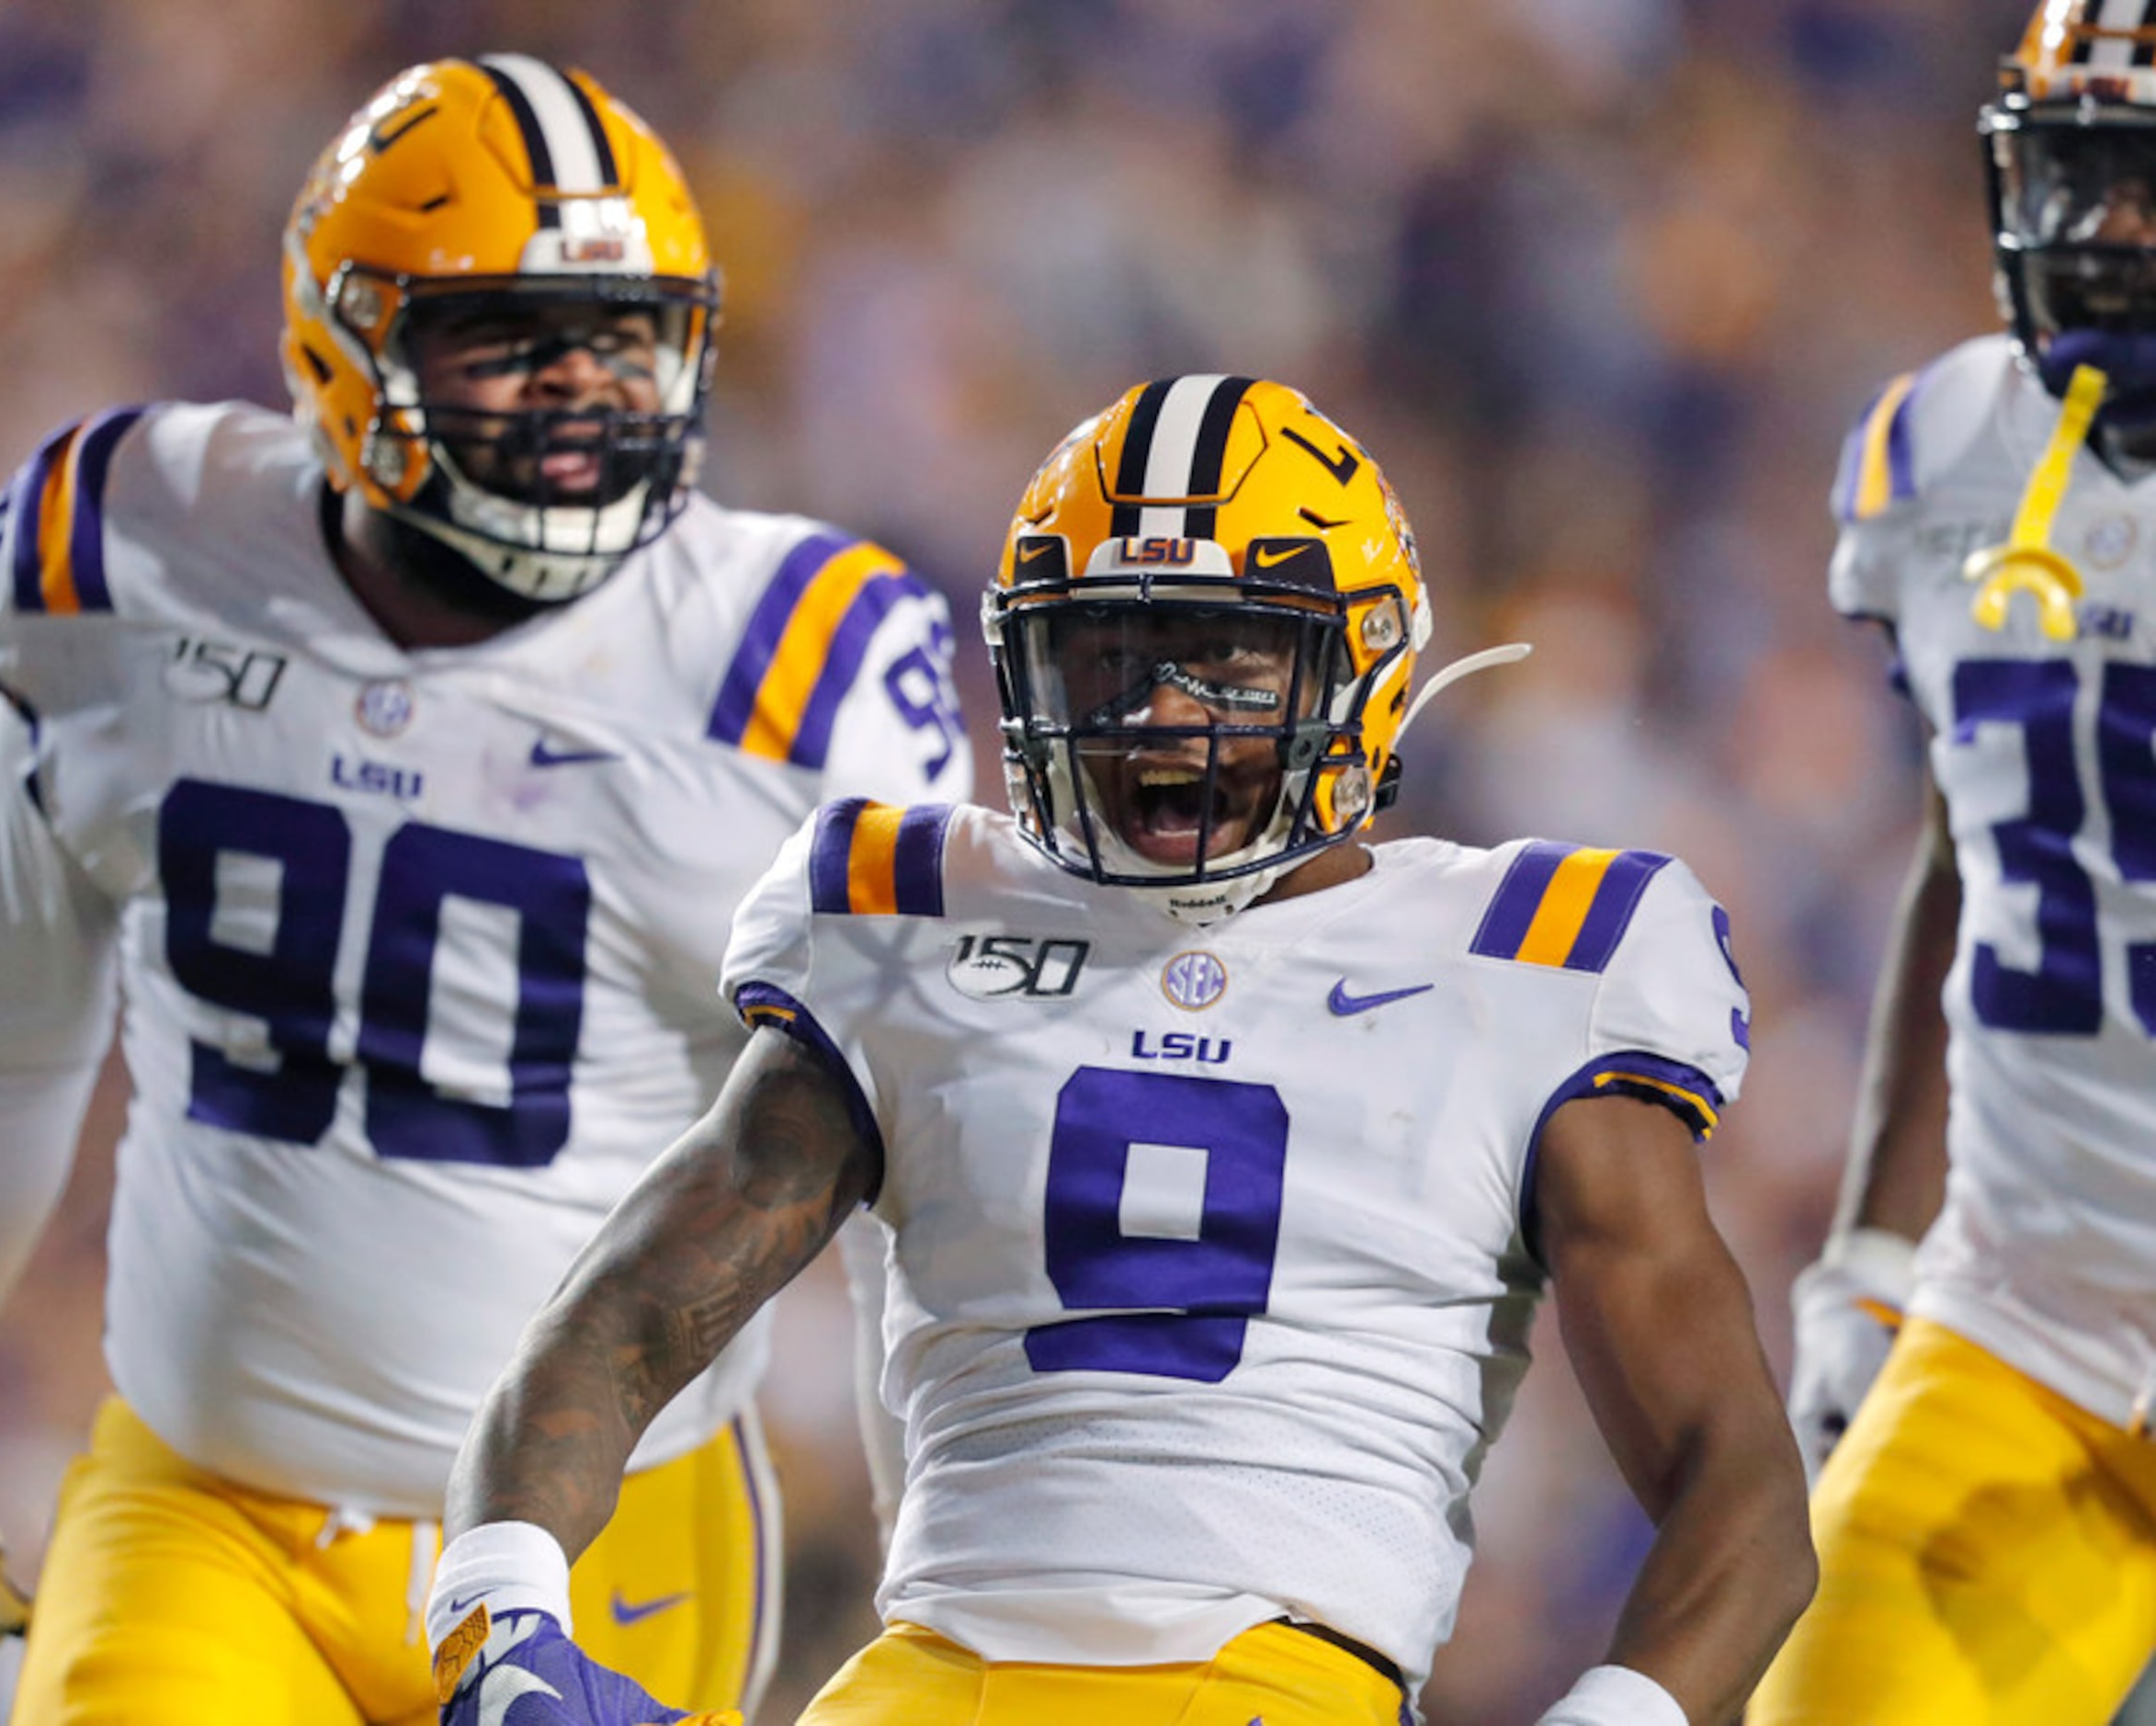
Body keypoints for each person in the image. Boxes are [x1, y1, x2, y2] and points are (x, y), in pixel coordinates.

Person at [0, 55, 970, 1725]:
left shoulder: (785, 671)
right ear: (341, 349)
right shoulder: (141, 569)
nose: (582, 386)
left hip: (606, 1528)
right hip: (206, 1507)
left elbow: (921, 1167)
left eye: (625, 331)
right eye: (508, 334)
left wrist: (950, 1563)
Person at [417, 376, 1814, 1726]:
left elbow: (1737, 1485)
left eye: (1222, 655)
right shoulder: (914, 913)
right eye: (1113, 654)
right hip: (927, 1674)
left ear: (1362, 662)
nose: (1158, 713)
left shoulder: (1533, 954)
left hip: (1272, 1679)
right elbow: (630, 1309)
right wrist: (505, 1605)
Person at [1751, 5, 2156, 1720]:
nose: (2100, 237)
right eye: (2075, 178)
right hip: (2035, 1318)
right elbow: (1962, 851)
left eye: (2148, 190)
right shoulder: (1942, 455)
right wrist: (1870, 1249)